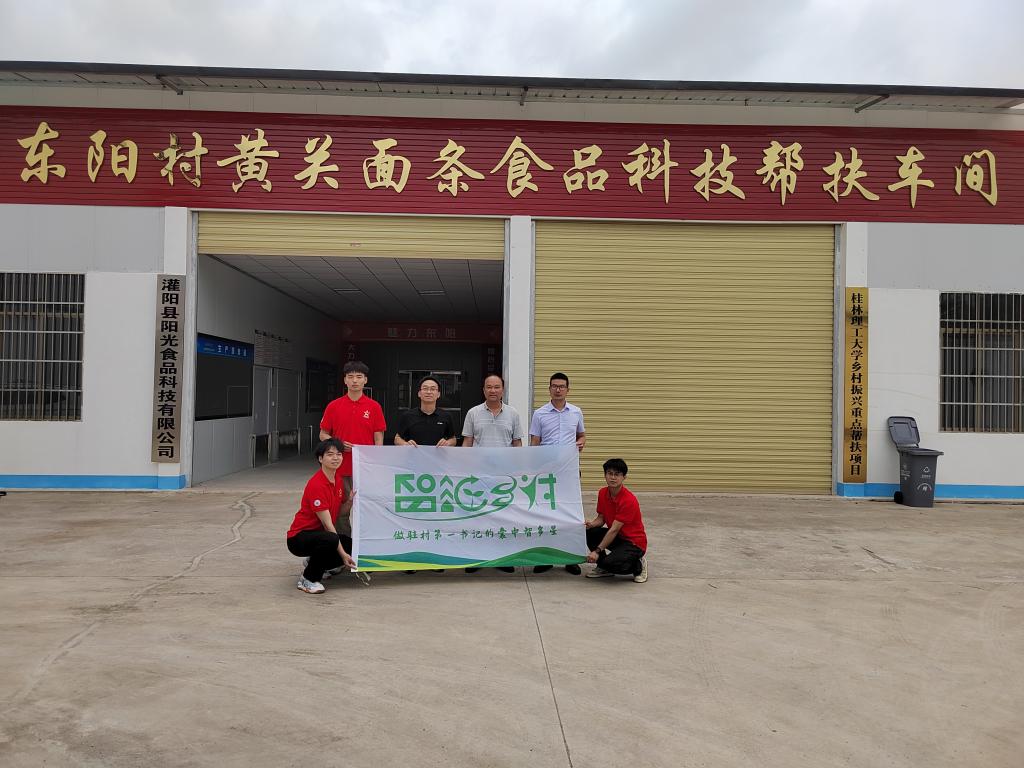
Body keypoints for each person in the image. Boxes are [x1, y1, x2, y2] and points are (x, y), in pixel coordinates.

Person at [461, 373, 522, 573]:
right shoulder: (473, 413)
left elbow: (517, 443)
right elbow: (467, 442)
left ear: (502, 390)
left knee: (503, 517)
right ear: (483, 390)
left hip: (504, 477)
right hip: (478, 476)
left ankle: (502, 559)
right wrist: (463, 468)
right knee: (478, 518)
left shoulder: (513, 414)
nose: (493, 390)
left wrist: (518, 470)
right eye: (489, 387)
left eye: (497, 387)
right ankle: (476, 559)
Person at [529, 372, 585, 576]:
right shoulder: (539, 414)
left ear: (568, 389)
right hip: (547, 472)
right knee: (546, 513)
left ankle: (570, 558)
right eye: (554, 386)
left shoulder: (576, 412)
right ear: (549, 389)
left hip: (569, 472)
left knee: (570, 513)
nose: (558, 389)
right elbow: (535, 443)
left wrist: (581, 442)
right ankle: (546, 558)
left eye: (562, 386)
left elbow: (581, 436)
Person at [286, 438, 357, 594]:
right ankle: (308, 579)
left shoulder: (337, 480)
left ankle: (313, 562)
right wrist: (343, 555)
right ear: (320, 459)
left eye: (339, 454)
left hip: (318, 535)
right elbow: (328, 525)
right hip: (298, 538)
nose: (335, 458)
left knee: (350, 545)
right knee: (332, 539)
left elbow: (340, 513)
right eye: (330, 454)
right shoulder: (317, 484)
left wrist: (350, 501)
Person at [319, 360, 386, 499]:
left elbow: (378, 438)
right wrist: (338, 444)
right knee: (342, 504)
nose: (354, 380)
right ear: (345, 380)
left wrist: (376, 461)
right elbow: (323, 434)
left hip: (365, 467)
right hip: (339, 466)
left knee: (365, 504)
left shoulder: (374, 407)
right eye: (350, 377)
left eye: (359, 377)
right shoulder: (333, 406)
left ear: (365, 380)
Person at [584, 458, 648, 583]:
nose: (613, 478)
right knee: (590, 532)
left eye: (617, 474)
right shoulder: (603, 493)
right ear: (605, 475)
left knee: (611, 563)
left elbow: (614, 529)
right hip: (619, 538)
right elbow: (601, 518)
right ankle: (603, 568)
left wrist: (597, 551)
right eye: (610, 473)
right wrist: (591, 524)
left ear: (624, 477)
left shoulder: (628, 500)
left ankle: (638, 565)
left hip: (634, 543)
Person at [394, 376, 457, 447]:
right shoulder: (407, 416)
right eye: (425, 388)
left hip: (438, 454)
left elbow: (453, 439)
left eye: (433, 389)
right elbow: (397, 438)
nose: (429, 392)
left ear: (438, 394)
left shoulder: (446, 416)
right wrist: (405, 444)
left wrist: (448, 443)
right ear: (419, 393)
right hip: (413, 454)